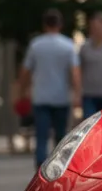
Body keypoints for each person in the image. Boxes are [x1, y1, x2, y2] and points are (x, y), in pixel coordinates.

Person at [18, 9, 81, 166]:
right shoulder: (67, 46)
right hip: (61, 97)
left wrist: (23, 90)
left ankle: (40, 165)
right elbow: (74, 72)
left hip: (41, 97)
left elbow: (26, 71)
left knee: (41, 135)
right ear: (60, 24)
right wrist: (77, 93)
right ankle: (58, 166)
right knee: (60, 135)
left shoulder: (36, 45)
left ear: (44, 25)